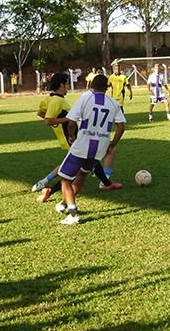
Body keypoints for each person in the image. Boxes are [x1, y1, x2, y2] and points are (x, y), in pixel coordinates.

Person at [31, 72, 121, 201]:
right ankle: (50, 191)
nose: (68, 86)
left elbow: (41, 113)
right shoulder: (57, 100)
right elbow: (48, 120)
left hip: (69, 135)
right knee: (77, 169)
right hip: (71, 136)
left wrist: (59, 123)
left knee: (72, 166)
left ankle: (43, 182)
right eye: (67, 84)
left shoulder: (50, 98)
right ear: (62, 85)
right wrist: (66, 120)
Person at [53, 74, 126, 225]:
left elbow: (72, 122)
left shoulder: (85, 98)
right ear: (107, 88)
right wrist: (112, 144)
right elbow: (121, 126)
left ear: (92, 85)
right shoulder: (113, 103)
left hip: (82, 145)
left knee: (65, 179)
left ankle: (73, 214)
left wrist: (72, 135)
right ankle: (65, 204)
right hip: (99, 148)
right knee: (82, 175)